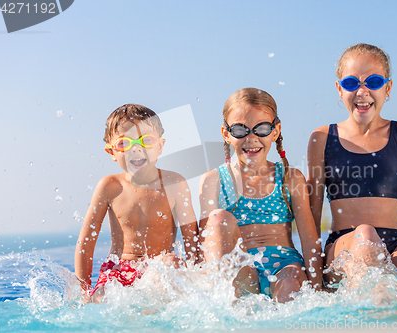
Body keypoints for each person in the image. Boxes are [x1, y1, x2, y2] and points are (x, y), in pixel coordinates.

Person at [307, 43, 397, 286]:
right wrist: (315, 282)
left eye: (372, 82)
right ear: (339, 89)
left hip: (395, 242)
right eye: (352, 83)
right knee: (365, 235)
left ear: (388, 87)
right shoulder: (322, 138)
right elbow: (311, 215)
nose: (362, 92)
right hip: (343, 245)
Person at [199, 88, 323, 303]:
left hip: (284, 265)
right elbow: (205, 245)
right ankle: (228, 305)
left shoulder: (290, 178)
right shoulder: (214, 180)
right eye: (240, 130)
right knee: (218, 219)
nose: (251, 138)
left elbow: (309, 239)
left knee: (292, 281)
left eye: (262, 129)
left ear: (275, 131)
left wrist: (319, 289)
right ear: (226, 134)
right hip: (241, 268)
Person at [74, 104, 199, 303]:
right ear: (111, 151)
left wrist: (197, 282)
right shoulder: (109, 186)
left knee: (171, 263)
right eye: (124, 143)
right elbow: (86, 242)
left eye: (146, 140)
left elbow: (192, 242)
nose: (136, 148)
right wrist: (84, 291)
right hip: (119, 270)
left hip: (160, 268)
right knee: (100, 298)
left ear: (160, 146)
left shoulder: (175, 184)